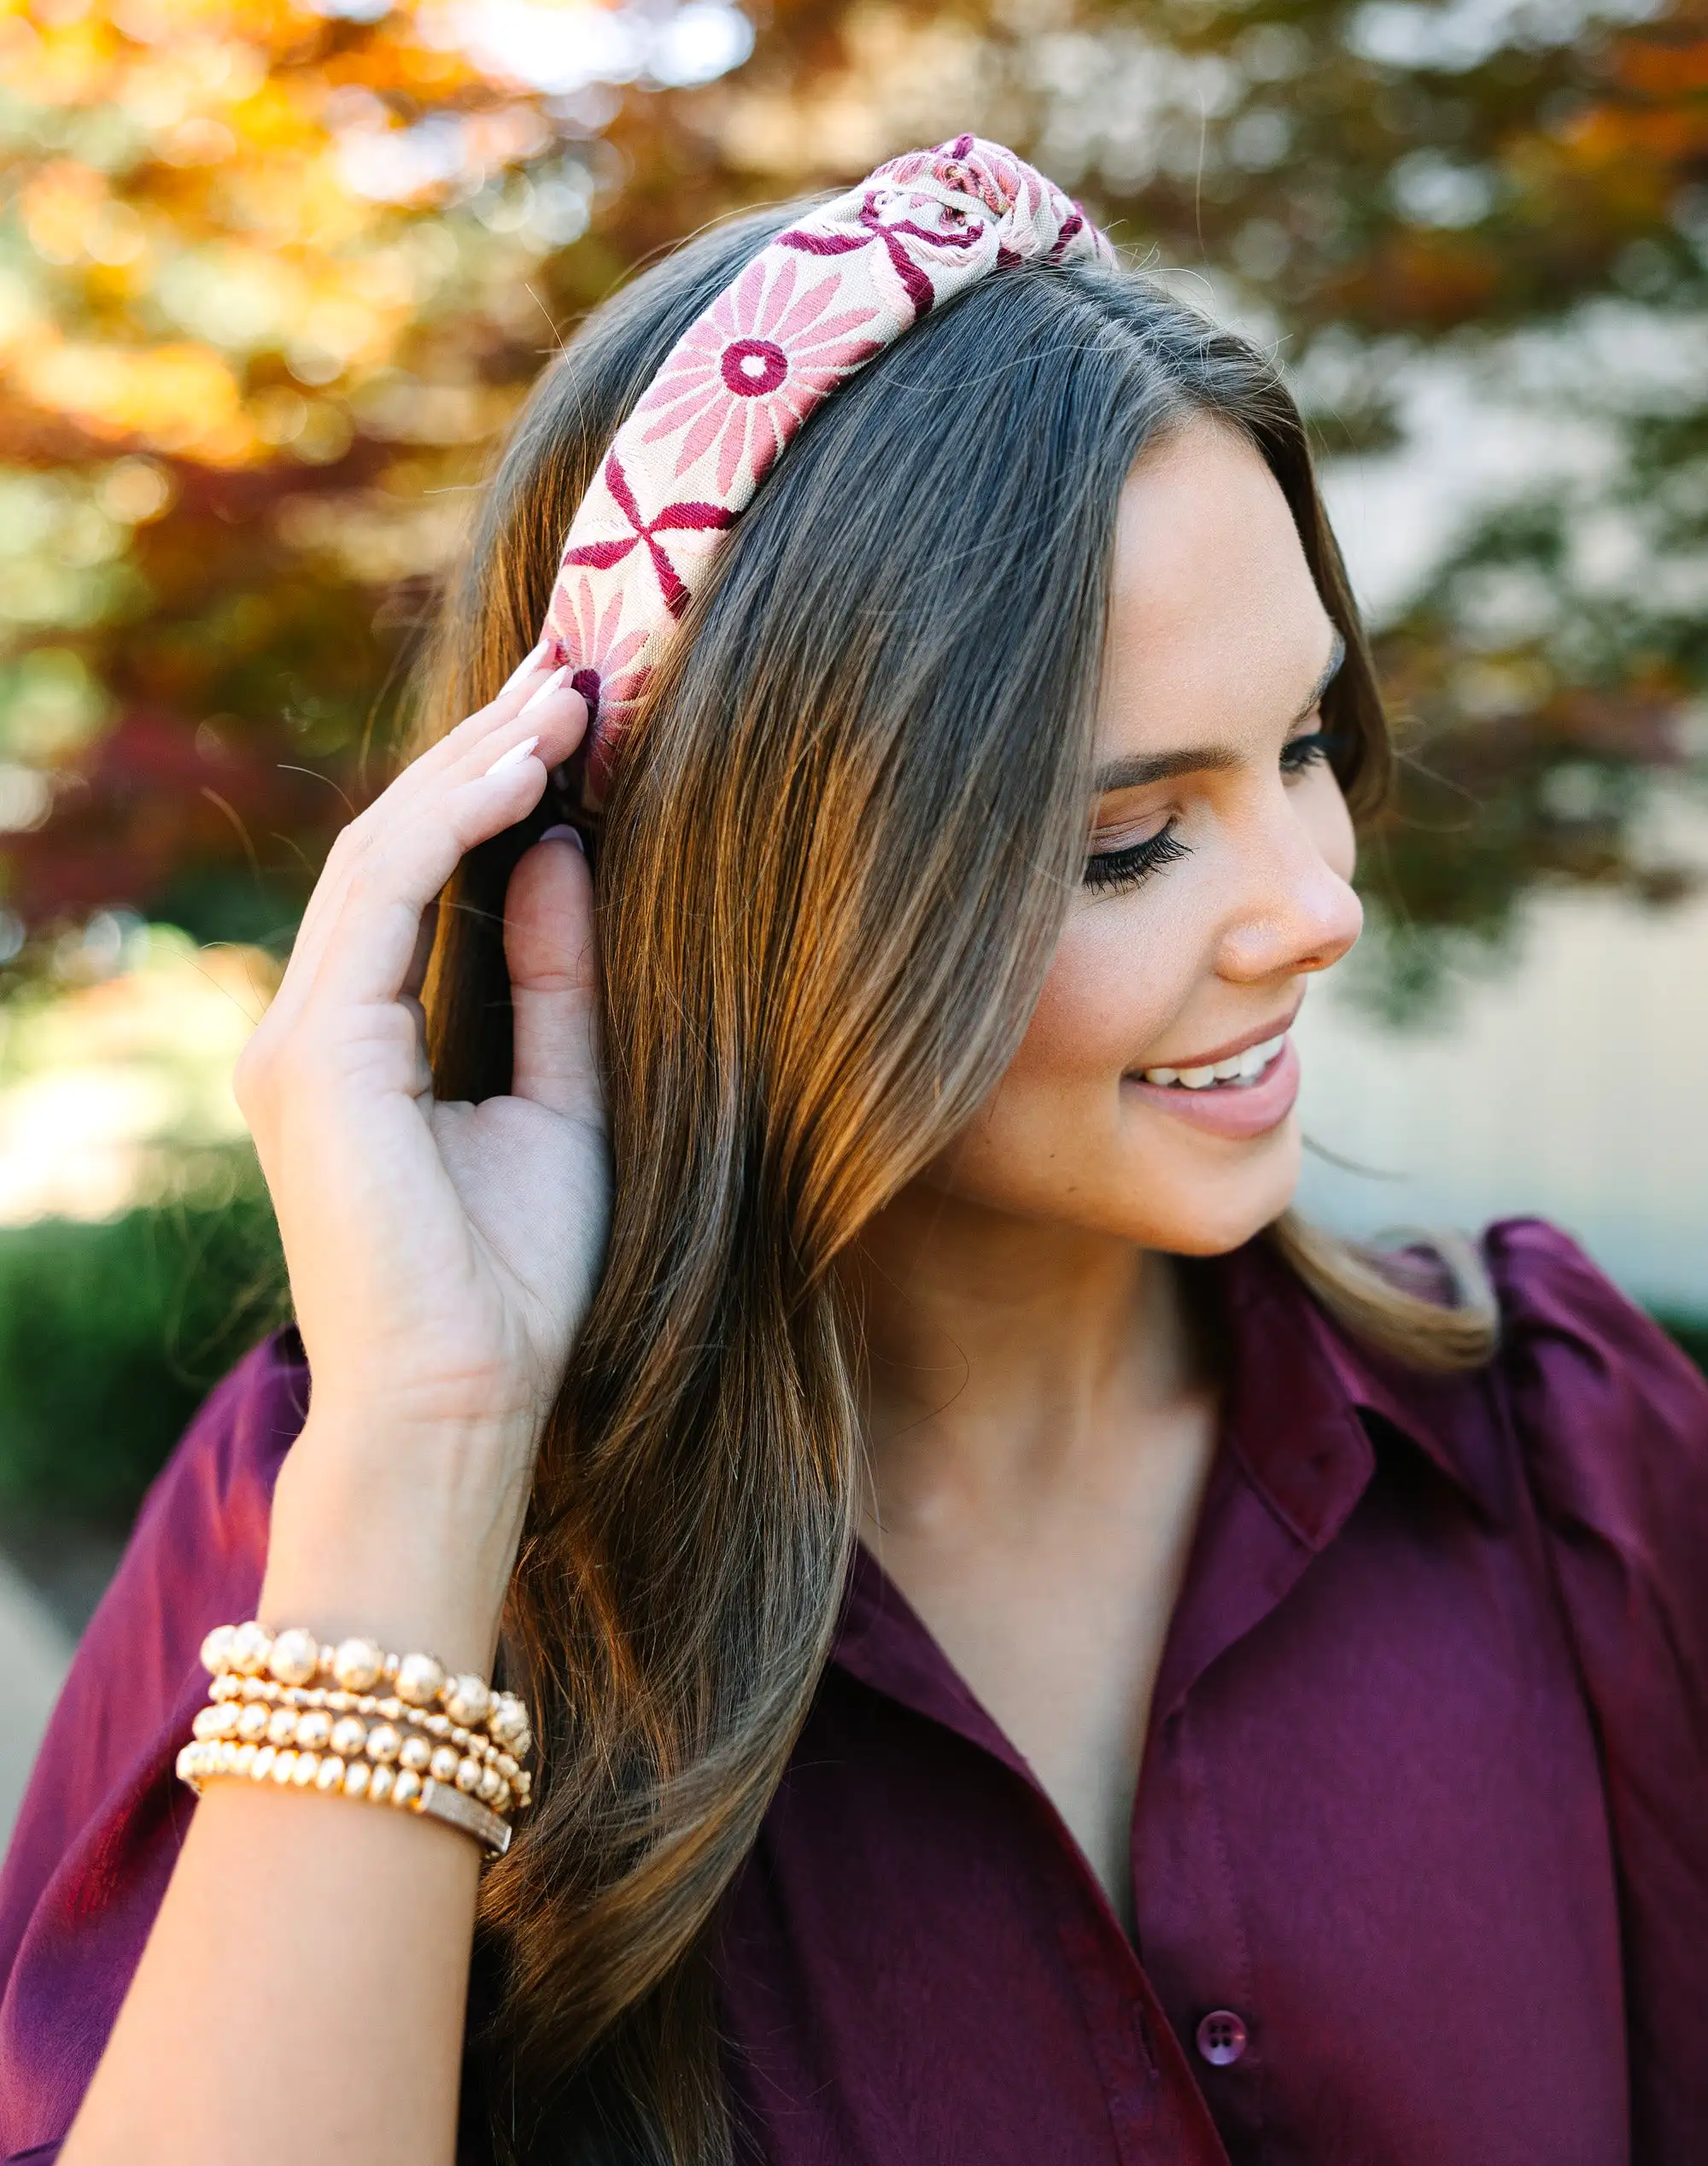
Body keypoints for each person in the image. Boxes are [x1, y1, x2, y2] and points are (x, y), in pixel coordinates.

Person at [1, 138, 1704, 2166]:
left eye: (1307, 745)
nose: (1315, 903)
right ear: (756, 900)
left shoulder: (1568, 1452)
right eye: (1127, 842)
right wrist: (435, 1452)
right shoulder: (336, 1524)